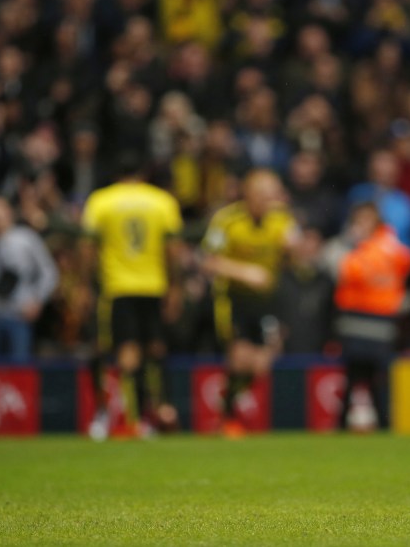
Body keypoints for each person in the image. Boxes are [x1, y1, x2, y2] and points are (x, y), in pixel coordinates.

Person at [81, 152, 184, 439]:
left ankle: (131, 419)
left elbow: (88, 248)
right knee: (154, 350)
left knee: (124, 352)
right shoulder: (162, 201)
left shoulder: (101, 201)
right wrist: (175, 287)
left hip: (118, 287)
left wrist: (84, 285)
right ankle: (156, 411)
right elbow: (173, 250)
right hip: (154, 285)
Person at [201, 168, 298, 436]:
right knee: (241, 358)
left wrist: (295, 250)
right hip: (234, 298)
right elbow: (209, 261)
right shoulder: (227, 220)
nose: (270, 200)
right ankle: (228, 419)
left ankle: (226, 407)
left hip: (266, 301)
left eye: (274, 194)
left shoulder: (283, 220)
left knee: (261, 365)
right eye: (264, 194)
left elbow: (294, 256)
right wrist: (245, 271)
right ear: (249, 194)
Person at [331, 202, 410, 430]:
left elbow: (352, 270)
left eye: (367, 220)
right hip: (353, 322)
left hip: (380, 323)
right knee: (351, 376)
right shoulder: (354, 246)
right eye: (358, 220)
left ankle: (385, 424)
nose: (361, 225)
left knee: (378, 378)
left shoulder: (386, 246)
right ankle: (343, 427)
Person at [0, 196, 58, 362]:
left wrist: (38, 300)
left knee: (19, 371)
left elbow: (49, 272)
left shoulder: (26, 238)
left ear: (9, 214)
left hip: (18, 314)